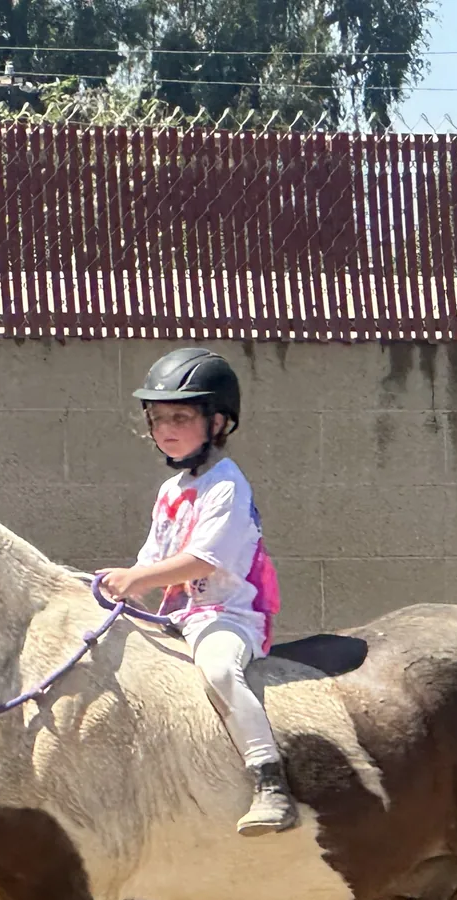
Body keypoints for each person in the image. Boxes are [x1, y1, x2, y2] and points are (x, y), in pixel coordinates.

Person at [96, 348, 298, 836]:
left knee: (218, 671)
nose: (165, 428)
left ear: (219, 422)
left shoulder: (227, 486)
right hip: (179, 616)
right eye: (158, 418)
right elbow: (153, 558)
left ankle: (269, 780)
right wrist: (118, 583)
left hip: (226, 615)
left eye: (181, 417)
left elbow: (205, 560)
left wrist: (138, 580)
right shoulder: (171, 490)